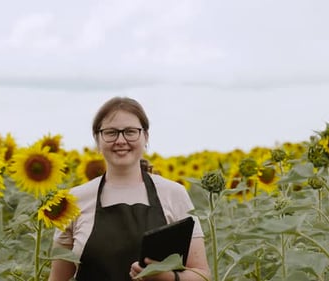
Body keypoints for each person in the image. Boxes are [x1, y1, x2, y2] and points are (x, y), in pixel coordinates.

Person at [48, 96, 211, 281]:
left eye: (130, 132)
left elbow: (202, 275)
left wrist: (166, 277)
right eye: (110, 132)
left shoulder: (174, 194)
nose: (121, 140)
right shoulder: (74, 200)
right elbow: (57, 278)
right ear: (97, 139)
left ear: (145, 136)